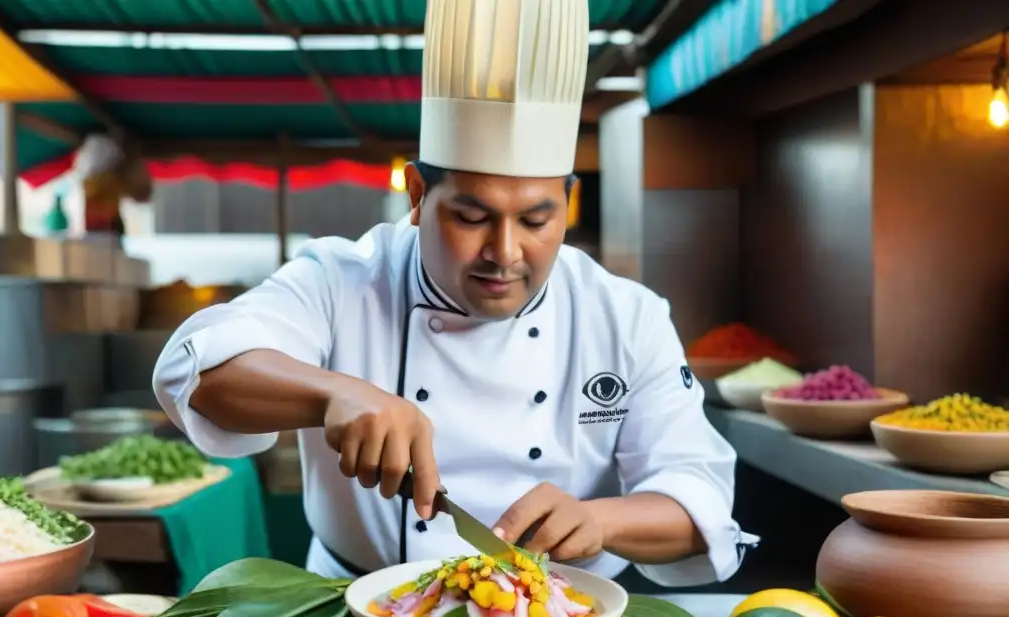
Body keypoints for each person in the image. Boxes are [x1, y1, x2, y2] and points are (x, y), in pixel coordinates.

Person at [152, 0, 759, 586]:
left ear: (568, 205)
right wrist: (333, 394)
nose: (505, 252)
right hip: (358, 613)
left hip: (559, 615)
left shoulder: (626, 317)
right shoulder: (343, 278)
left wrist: (600, 519)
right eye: (471, 218)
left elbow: (698, 498)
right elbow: (198, 369)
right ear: (417, 194)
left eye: (536, 220)